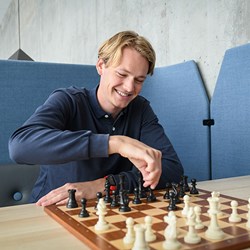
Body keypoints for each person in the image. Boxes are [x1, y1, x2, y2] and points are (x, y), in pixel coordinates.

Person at [9, 30, 183, 206]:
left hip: (108, 211)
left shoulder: (140, 109)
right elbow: (20, 147)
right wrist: (115, 143)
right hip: (52, 209)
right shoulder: (69, 100)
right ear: (101, 66)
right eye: (122, 74)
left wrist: (103, 185)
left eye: (139, 80)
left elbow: (172, 170)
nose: (130, 87)